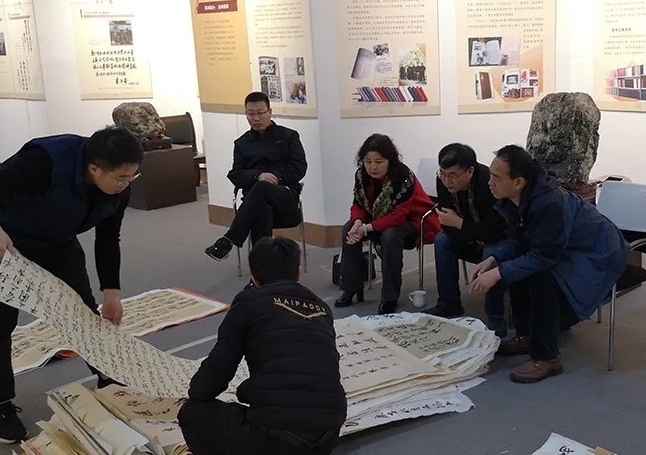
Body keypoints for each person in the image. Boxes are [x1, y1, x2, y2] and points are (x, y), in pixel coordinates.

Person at [0, 126, 143, 444]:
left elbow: (108, 238)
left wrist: (112, 291)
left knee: (82, 313)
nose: (126, 185)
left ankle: (107, 377)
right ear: (94, 168)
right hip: (6, 241)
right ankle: (1, 406)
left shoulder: (117, 187)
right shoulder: (42, 162)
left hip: (57, 240)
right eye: (120, 178)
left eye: (131, 177)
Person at [468, 145, 629, 384]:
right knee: (517, 267)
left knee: (541, 278)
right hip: (566, 247)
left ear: (518, 182)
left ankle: (547, 358)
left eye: (496, 177)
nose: (490, 182)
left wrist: (497, 273)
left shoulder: (548, 203)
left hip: (598, 254)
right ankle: (527, 335)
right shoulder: (515, 197)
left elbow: (543, 257)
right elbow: (520, 241)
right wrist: (494, 260)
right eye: (490, 175)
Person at [180, 237, 346, 454]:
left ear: (254, 279)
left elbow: (218, 370)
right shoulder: (322, 308)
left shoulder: (248, 302)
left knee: (191, 414)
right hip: (328, 435)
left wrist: (196, 392)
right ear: (298, 272)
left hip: (274, 438)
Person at [335, 134, 440, 314]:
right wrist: (357, 223)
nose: (373, 167)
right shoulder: (361, 175)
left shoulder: (403, 176)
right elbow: (358, 204)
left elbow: (398, 216)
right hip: (377, 219)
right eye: (367, 161)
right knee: (348, 228)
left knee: (390, 235)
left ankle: (390, 296)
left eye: (379, 162)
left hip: (412, 221)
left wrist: (366, 228)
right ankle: (351, 287)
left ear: (390, 160)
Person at [204, 92, 307, 262]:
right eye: (250, 114)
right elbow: (236, 174)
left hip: (284, 200)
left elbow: (299, 168)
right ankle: (263, 268)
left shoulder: (289, 136)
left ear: (270, 112)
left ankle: (229, 240)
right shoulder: (242, 143)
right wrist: (258, 176)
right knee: (261, 207)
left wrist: (274, 177)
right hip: (255, 205)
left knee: (262, 188)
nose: (256, 118)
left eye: (260, 113)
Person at [424, 143, 505, 319]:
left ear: (470, 171)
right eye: (442, 173)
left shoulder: (489, 184)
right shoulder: (443, 181)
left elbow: (495, 233)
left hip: (498, 242)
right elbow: (446, 223)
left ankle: (495, 317)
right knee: (442, 240)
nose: (447, 181)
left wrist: (459, 223)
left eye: (452, 175)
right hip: (467, 236)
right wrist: (463, 228)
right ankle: (448, 305)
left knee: (490, 252)